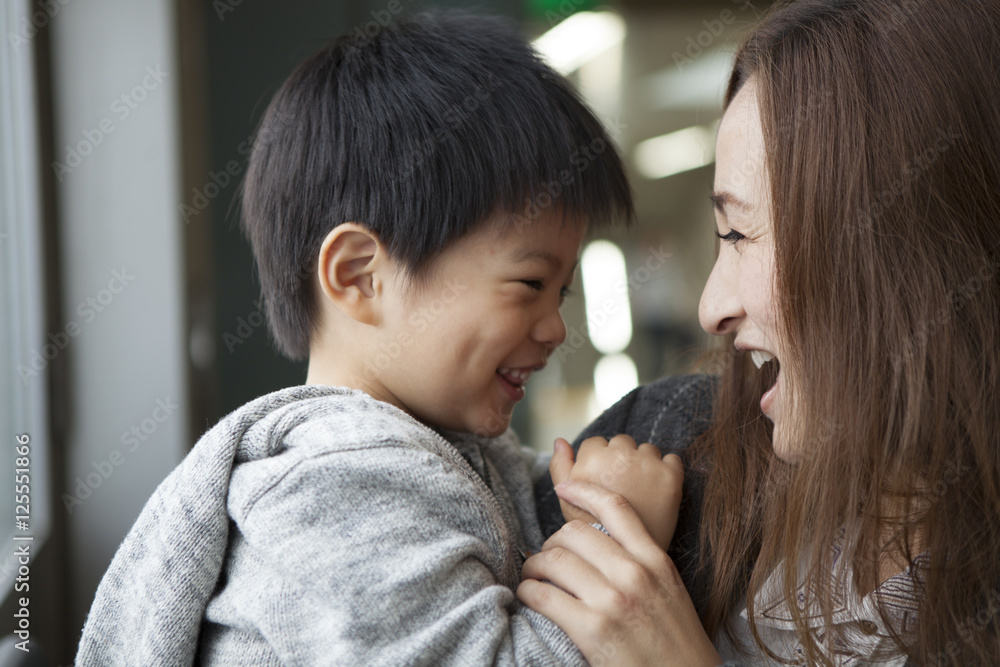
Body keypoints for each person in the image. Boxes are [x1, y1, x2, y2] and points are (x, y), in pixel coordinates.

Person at [74, 11, 682, 666]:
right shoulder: (336, 484)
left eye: (560, 293)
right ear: (361, 276)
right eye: (530, 283)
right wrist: (615, 537)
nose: (557, 327)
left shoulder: (446, 451)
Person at [521, 1, 1000, 665]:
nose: (711, 309)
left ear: (907, 249)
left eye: (741, 233)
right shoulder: (665, 448)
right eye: (722, 235)